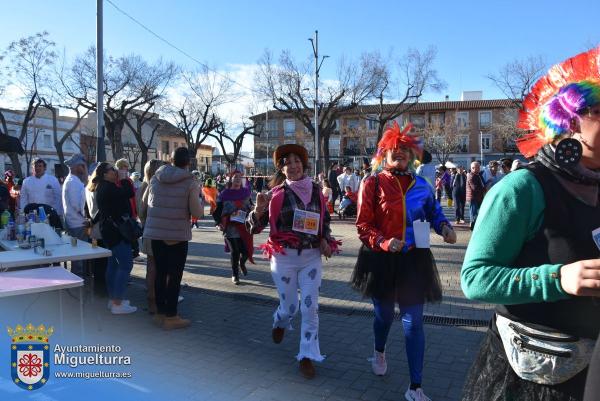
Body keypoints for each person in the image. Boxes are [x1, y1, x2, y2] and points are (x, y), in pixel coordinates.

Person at [461, 47, 600, 401]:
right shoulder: (522, 188)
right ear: (570, 122)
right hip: (533, 375)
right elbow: (476, 279)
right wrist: (558, 279)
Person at [351, 121, 456, 401]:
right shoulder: (371, 183)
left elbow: (434, 213)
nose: (399, 153)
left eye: (404, 150)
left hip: (414, 259)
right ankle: (379, 350)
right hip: (381, 260)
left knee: (414, 323)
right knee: (384, 316)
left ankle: (415, 387)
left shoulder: (422, 185)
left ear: (411, 155)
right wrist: (384, 242)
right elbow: (363, 226)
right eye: (393, 149)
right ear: (383, 154)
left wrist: (445, 228)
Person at [246, 144, 340, 379]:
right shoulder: (275, 195)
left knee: (310, 308)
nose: (293, 165)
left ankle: (307, 355)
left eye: (297, 161)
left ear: (304, 164)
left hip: (311, 258)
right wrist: (258, 211)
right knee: (290, 308)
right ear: (282, 168)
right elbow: (254, 228)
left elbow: (324, 222)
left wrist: (326, 240)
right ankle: (279, 321)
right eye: (287, 162)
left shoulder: (317, 191)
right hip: (284, 258)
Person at [141, 147, 204, 330]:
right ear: (188, 162)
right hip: (176, 235)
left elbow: (144, 205)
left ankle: (160, 314)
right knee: (174, 276)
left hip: (155, 234)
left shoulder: (155, 177)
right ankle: (171, 316)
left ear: (170, 159)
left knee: (160, 274)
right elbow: (197, 212)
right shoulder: (190, 182)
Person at [94, 162, 137, 314]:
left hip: (108, 230)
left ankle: (113, 300)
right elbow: (129, 192)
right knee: (126, 265)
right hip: (116, 232)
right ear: (105, 174)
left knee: (113, 264)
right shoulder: (110, 188)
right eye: (112, 169)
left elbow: (102, 210)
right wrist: (125, 178)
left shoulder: (103, 187)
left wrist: (92, 222)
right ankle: (117, 303)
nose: (116, 171)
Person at [212, 171, 254, 285]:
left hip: (244, 227)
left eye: (240, 177)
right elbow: (217, 210)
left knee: (246, 252)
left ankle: (242, 263)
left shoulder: (246, 193)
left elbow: (251, 207)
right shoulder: (224, 194)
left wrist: (254, 210)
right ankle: (235, 275)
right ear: (231, 179)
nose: (238, 179)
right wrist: (218, 222)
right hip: (230, 228)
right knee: (235, 251)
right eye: (235, 177)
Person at [136, 159, 165, 314]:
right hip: (155, 231)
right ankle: (155, 297)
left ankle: (151, 295)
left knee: (151, 266)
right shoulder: (153, 187)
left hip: (147, 230)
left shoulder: (141, 187)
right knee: (157, 267)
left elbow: (140, 212)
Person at [62, 154, 89, 276]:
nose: (84, 168)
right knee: (79, 256)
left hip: (75, 222)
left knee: (78, 255)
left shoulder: (74, 180)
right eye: (82, 165)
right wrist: (87, 217)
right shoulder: (73, 181)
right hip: (78, 224)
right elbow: (77, 205)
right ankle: (78, 281)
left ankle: (78, 279)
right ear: (76, 166)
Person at [466, 161, 485, 230]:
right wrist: (485, 188)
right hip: (473, 198)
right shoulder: (471, 176)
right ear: (472, 168)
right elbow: (475, 188)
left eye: (479, 167)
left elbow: (482, 184)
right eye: (477, 167)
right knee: (473, 213)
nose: (479, 168)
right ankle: (473, 227)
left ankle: (475, 226)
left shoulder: (478, 175)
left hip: (478, 197)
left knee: (477, 212)